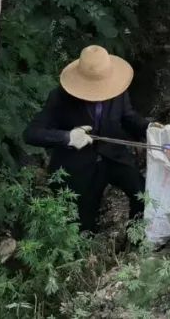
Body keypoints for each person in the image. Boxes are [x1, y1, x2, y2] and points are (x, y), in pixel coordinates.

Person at [24, 45, 155, 233]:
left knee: (143, 195)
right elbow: (31, 133)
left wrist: (150, 128)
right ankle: (90, 252)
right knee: (84, 223)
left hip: (113, 156)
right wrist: (67, 137)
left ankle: (136, 238)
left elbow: (128, 117)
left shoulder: (117, 88)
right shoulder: (60, 97)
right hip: (79, 167)